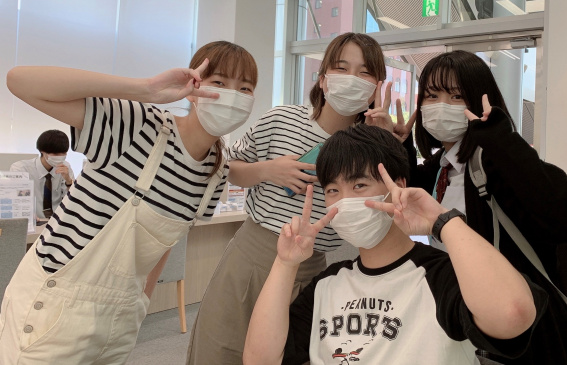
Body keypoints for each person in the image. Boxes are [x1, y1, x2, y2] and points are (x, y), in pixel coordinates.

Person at [0, 40, 258, 365]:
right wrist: (146, 88)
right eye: (219, 82)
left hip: (119, 319)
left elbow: (165, 241)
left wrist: (139, 304)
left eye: (245, 88)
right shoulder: (139, 126)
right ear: (193, 88)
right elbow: (20, 81)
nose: (232, 95)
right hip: (55, 305)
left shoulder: (215, 171)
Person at [243, 124, 547, 365]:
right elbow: (260, 360)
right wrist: (285, 264)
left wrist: (442, 222)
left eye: (359, 185)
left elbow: (512, 315)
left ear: (398, 186)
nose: (345, 201)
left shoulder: (440, 276)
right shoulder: (328, 283)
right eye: (333, 190)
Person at [187, 32, 393, 364]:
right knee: (220, 350)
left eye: (365, 72)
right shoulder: (282, 119)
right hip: (251, 256)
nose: (352, 79)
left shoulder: (371, 146)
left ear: (377, 87)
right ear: (323, 79)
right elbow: (228, 168)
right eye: (342, 68)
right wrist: (268, 170)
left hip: (311, 269)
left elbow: (389, 214)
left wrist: (387, 142)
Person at [393, 51, 567, 364]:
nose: (441, 105)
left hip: (524, 336)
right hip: (469, 324)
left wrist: (500, 140)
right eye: (431, 96)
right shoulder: (441, 166)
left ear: (478, 100)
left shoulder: (494, 164)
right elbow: (413, 192)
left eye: (456, 96)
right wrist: (401, 144)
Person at [10, 129, 75, 225]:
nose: (60, 157)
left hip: (58, 222)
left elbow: (73, 201)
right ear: (42, 152)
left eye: (64, 153)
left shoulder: (66, 167)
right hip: (34, 221)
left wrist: (68, 181)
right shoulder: (21, 168)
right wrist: (27, 214)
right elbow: (17, 199)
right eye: (56, 154)